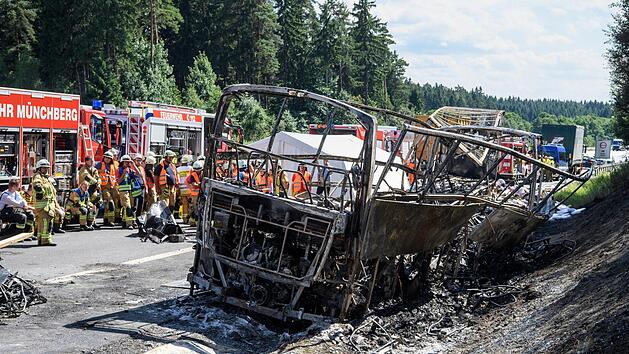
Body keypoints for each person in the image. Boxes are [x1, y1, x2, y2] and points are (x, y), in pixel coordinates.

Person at [32, 159, 60, 246]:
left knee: (43, 222)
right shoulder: (38, 177)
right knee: (45, 222)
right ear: (39, 168)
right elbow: (37, 185)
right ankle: (45, 240)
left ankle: (41, 239)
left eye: (46, 168)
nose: (46, 170)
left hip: (48, 205)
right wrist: (40, 192)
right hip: (43, 205)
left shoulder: (46, 178)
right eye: (44, 168)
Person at [116, 155, 141, 229]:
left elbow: (138, 174)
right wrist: (123, 174)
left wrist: (133, 165)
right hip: (123, 191)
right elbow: (118, 181)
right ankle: (129, 224)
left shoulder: (130, 170)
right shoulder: (119, 170)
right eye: (126, 162)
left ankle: (125, 222)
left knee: (131, 207)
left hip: (130, 191)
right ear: (122, 162)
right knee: (127, 206)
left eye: (128, 162)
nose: (127, 163)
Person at [95, 150, 117, 226]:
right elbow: (94, 171)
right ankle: (110, 220)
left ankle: (107, 220)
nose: (107, 159)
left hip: (112, 186)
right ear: (103, 158)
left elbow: (114, 176)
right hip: (104, 187)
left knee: (109, 204)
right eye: (106, 158)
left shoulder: (112, 166)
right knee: (110, 202)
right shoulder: (100, 164)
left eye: (109, 158)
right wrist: (101, 170)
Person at [186, 161, 204, 226]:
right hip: (194, 194)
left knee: (199, 208)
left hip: (201, 193)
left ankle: (195, 221)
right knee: (194, 208)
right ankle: (192, 221)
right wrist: (200, 184)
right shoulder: (193, 175)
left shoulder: (203, 173)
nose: (198, 171)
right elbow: (193, 184)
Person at [177, 155, 194, 223]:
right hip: (189, 188)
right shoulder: (190, 168)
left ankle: (184, 219)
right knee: (190, 204)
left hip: (182, 188)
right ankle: (190, 218)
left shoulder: (178, 169)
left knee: (184, 203)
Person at [132, 154, 146, 220]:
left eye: (140, 160)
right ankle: (133, 218)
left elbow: (143, 178)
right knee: (134, 204)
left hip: (141, 187)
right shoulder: (132, 167)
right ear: (134, 161)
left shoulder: (142, 168)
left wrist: (145, 187)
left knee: (140, 203)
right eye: (137, 160)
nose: (139, 162)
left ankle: (138, 218)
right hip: (134, 188)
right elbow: (138, 174)